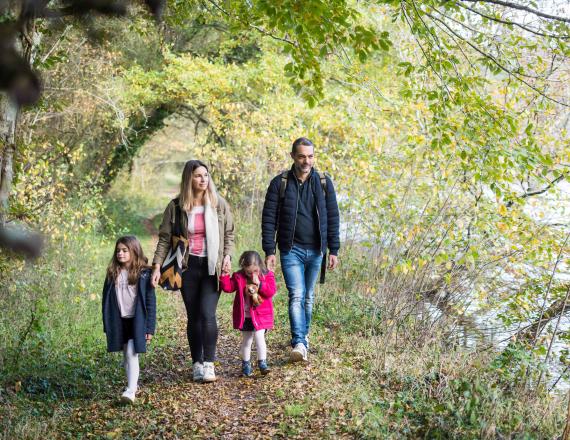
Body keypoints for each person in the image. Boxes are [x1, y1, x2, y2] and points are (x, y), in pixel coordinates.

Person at [151, 160, 234, 383]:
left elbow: (229, 234)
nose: (203, 179)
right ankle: (196, 363)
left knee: (208, 314)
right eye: (198, 176)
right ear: (189, 179)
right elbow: (164, 239)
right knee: (194, 316)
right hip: (187, 267)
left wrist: (227, 256)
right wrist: (157, 266)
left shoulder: (218, 204)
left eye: (206, 175)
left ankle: (209, 364)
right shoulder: (177, 206)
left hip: (211, 267)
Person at [262, 137, 340, 362]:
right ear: (293, 157)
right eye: (302, 156)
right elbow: (268, 220)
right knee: (296, 295)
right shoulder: (280, 183)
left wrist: (333, 249)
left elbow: (333, 217)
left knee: (308, 297)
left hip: (316, 251)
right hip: (290, 250)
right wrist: (270, 250)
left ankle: (302, 337)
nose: (307, 161)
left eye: (310, 156)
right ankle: (299, 341)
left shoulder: (324, 183)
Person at [102, 235, 156, 404]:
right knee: (126, 355)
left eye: (125, 250)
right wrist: (107, 323)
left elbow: (150, 303)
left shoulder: (145, 274)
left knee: (132, 353)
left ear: (134, 251)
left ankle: (130, 390)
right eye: (118, 251)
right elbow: (105, 300)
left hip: (137, 320)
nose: (120, 254)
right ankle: (131, 385)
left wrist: (149, 328)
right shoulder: (112, 273)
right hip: (119, 320)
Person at [219, 251, 277, 377]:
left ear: (260, 266)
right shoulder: (239, 277)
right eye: (249, 272)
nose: (252, 274)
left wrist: (260, 284)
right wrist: (224, 275)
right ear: (243, 268)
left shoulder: (267, 275)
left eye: (255, 271)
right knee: (247, 340)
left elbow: (271, 291)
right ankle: (246, 364)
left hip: (260, 315)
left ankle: (262, 363)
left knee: (259, 337)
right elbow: (228, 288)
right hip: (245, 316)